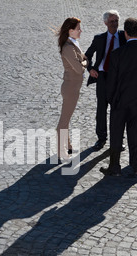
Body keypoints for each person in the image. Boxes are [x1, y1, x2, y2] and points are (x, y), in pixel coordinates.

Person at [100, 18, 137, 177]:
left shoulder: (117, 54)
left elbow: (111, 82)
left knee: (116, 135)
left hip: (119, 102)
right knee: (136, 134)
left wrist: (112, 100)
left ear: (125, 33)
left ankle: (114, 167)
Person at [84, 10, 127, 151]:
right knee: (101, 109)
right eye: (111, 22)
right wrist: (90, 69)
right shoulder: (99, 38)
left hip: (118, 79)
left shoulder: (124, 36)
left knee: (118, 110)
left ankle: (118, 140)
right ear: (105, 23)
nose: (114, 24)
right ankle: (101, 138)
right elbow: (85, 57)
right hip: (102, 77)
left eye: (116, 21)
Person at [56, 17, 87, 161]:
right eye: (78, 29)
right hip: (70, 88)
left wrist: (83, 61)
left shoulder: (73, 44)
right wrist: (84, 63)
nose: (81, 31)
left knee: (66, 118)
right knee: (64, 120)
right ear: (70, 31)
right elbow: (79, 69)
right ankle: (61, 151)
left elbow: (83, 59)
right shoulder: (68, 48)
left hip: (72, 87)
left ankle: (67, 145)